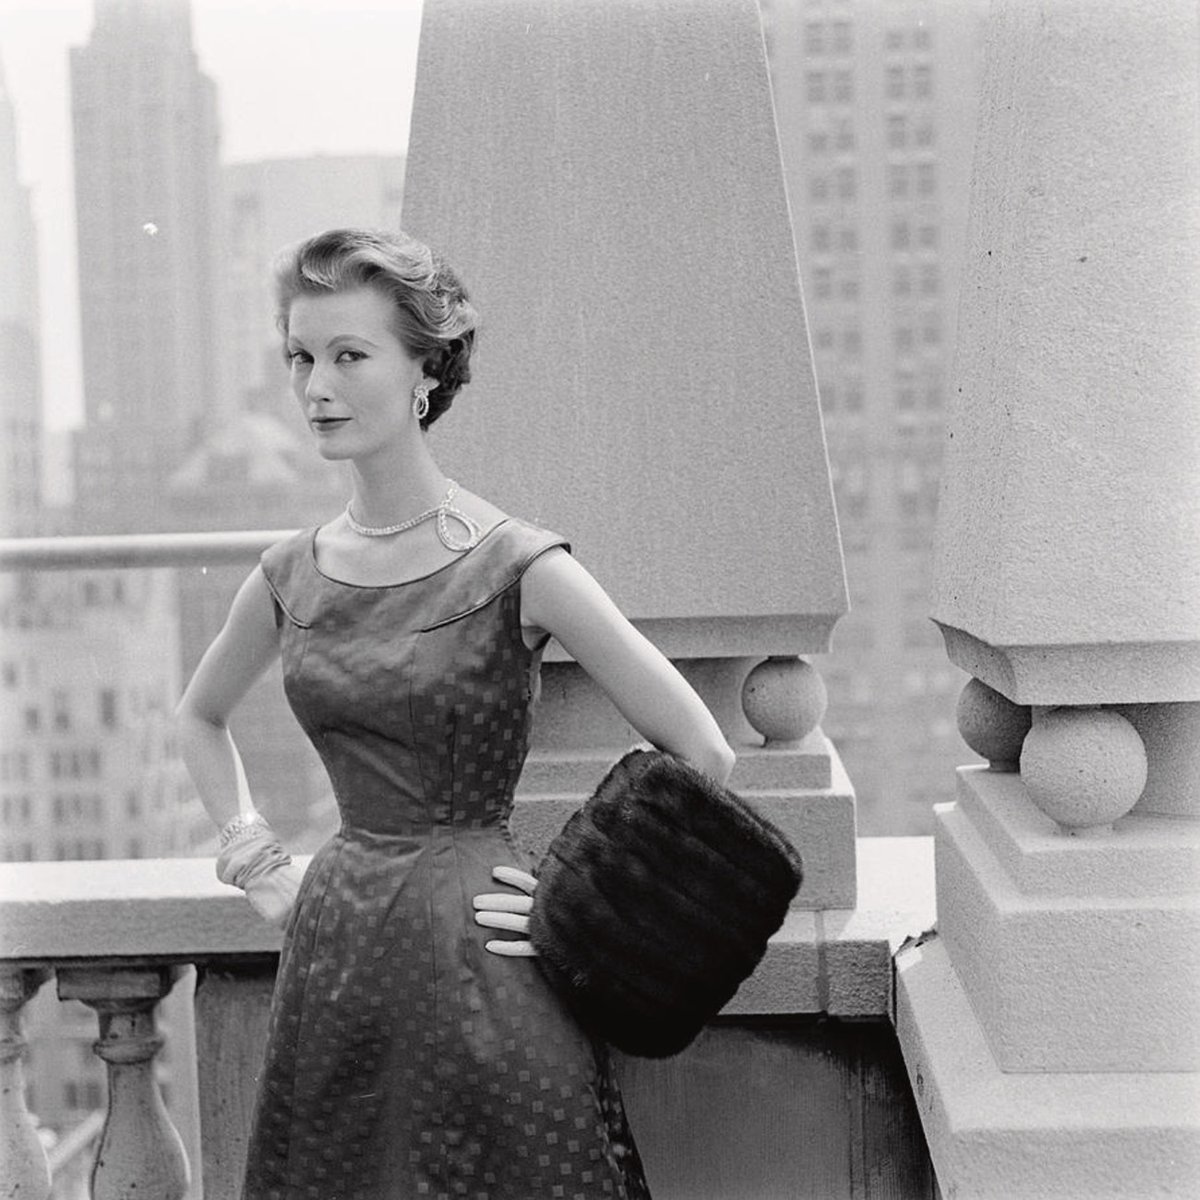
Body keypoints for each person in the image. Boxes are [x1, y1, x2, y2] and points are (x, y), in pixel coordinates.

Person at [175, 227, 735, 1200]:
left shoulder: (519, 565)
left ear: (426, 374)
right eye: (301, 357)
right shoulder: (289, 575)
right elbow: (200, 718)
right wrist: (257, 860)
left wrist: (580, 894)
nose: (317, 385)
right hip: (337, 955)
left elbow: (702, 750)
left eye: (350, 356)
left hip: (486, 956)